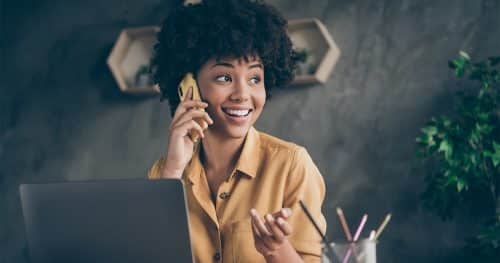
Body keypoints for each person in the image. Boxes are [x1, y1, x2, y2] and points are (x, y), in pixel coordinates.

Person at [147, 0, 326, 262]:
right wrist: (173, 172)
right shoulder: (163, 173)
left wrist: (276, 248)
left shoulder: (292, 166)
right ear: (189, 86)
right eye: (224, 78)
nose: (243, 95)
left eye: (255, 79)